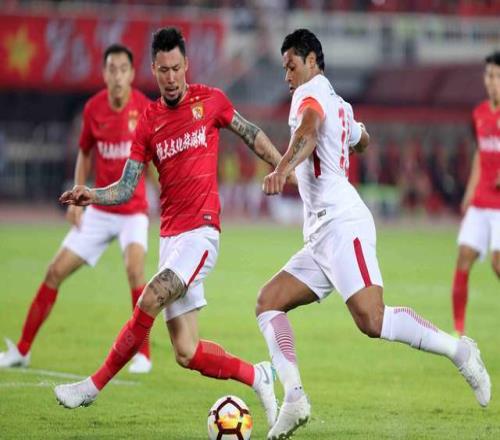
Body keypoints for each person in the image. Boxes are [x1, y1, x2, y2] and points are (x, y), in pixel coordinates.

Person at [256, 29, 492, 440]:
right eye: (284, 69)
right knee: (268, 303)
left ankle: (460, 351)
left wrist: (281, 169)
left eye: (291, 66)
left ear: (311, 61)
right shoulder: (340, 104)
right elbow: (362, 138)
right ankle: (294, 398)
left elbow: (308, 129)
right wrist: (352, 137)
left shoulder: (309, 95)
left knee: (372, 319)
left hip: (342, 225)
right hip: (320, 235)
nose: (287, 76)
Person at [53, 27, 286, 428]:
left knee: (149, 297)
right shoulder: (148, 121)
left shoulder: (211, 101)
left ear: (186, 65)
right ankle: (258, 375)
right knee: (186, 352)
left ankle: (92, 386)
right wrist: (92, 194)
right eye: (164, 71)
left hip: (202, 234)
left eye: (177, 68)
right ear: (154, 70)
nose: (172, 77)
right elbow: (127, 186)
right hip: (171, 238)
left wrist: (282, 166)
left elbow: (250, 133)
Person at [0, 44, 153, 374]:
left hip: (133, 211)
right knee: (54, 272)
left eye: (123, 69)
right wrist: (77, 199)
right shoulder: (93, 109)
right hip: (99, 208)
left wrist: (164, 192)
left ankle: (143, 353)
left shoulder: (145, 108)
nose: (117, 76)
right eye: (111, 69)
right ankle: (22, 350)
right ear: (104, 73)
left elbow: (154, 155)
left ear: (131, 74)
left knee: (135, 270)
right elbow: (84, 152)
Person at [451, 51, 500, 336]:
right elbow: (480, 154)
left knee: (497, 263)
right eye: (489, 75)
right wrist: (470, 191)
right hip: (481, 200)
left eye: (496, 76)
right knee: (464, 256)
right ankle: (458, 332)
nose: (491, 81)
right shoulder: (479, 113)